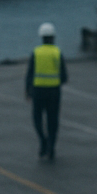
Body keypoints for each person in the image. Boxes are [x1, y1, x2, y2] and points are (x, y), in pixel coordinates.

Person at [26, 21, 68, 160]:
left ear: (41, 37)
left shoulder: (36, 52)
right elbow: (64, 76)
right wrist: (55, 81)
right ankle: (51, 147)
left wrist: (28, 90)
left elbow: (29, 74)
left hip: (38, 91)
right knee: (52, 121)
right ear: (53, 37)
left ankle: (43, 141)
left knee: (37, 119)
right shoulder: (57, 52)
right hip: (54, 92)